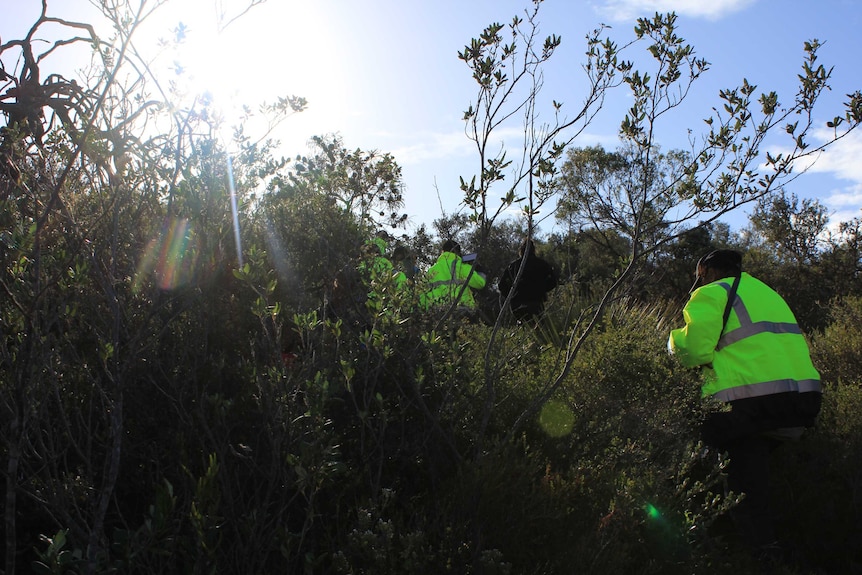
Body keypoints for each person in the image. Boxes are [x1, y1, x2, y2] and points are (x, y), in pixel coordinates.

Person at [668, 249, 822, 561]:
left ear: (707, 272)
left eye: (698, 276)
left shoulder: (711, 293)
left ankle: (755, 551)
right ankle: (778, 536)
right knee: (753, 469)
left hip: (750, 402)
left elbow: (694, 353)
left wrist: (672, 344)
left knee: (734, 473)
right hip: (802, 399)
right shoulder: (767, 293)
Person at [498, 239, 558, 322]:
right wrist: (542, 289)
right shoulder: (542, 264)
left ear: (521, 250)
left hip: (518, 303)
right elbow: (554, 281)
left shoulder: (514, 266)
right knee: (537, 328)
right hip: (536, 302)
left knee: (523, 325)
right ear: (534, 250)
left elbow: (501, 285)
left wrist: (512, 296)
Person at [422, 239, 486, 310]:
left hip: (437, 314)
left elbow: (421, 296)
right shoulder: (461, 266)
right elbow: (480, 283)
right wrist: (480, 271)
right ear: (458, 253)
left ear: (442, 252)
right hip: (463, 311)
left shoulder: (430, 271)